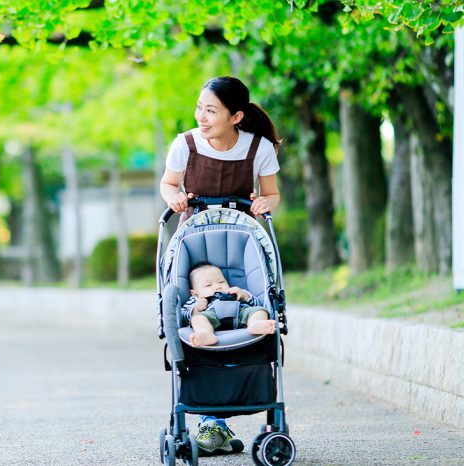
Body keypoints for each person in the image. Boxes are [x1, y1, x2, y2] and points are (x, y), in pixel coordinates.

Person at [159, 76, 282, 456]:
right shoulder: (185, 144)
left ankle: (219, 424)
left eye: (211, 110)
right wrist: (176, 198)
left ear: (236, 116)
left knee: (245, 302)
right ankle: (214, 423)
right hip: (196, 237)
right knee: (201, 310)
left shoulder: (258, 148)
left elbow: (272, 193)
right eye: (199, 107)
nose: (201, 116)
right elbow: (168, 184)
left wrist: (266, 205)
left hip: (239, 234)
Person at [182, 262, 276, 347]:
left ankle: (255, 323)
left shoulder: (235, 292)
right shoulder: (196, 299)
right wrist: (196, 309)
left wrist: (245, 295)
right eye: (208, 285)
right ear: (195, 293)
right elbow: (184, 316)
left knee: (260, 310)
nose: (217, 286)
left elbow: (256, 304)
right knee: (197, 318)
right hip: (211, 316)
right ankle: (205, 333)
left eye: (221, 282)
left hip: (240, 312)